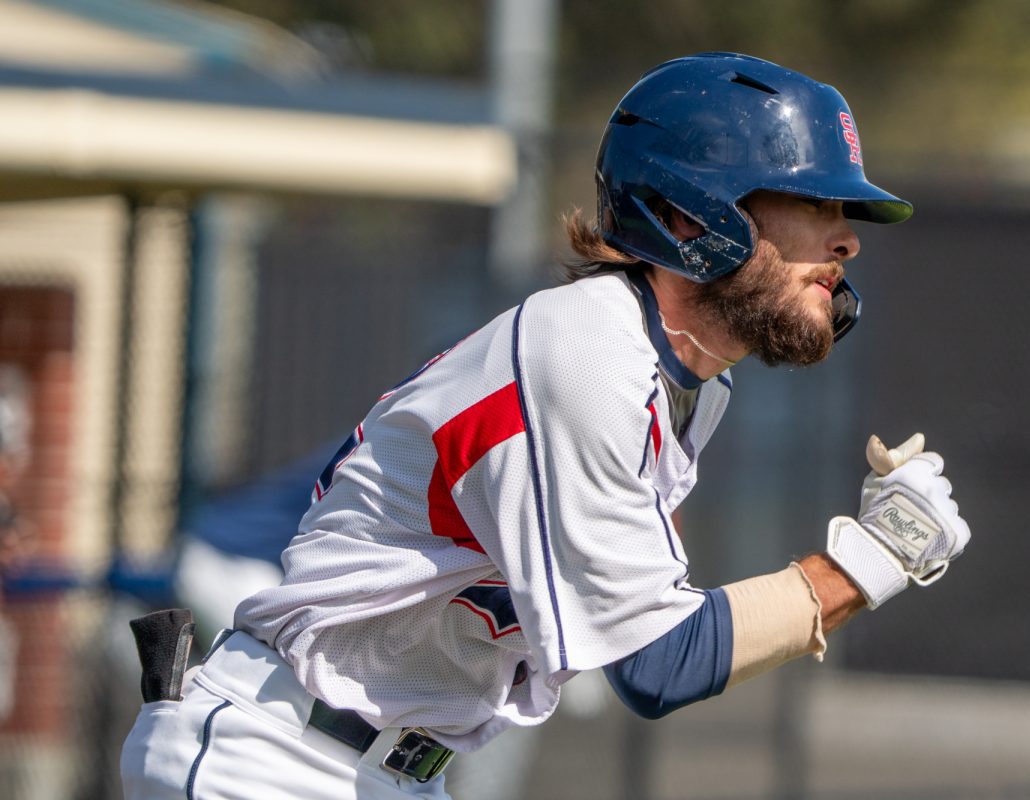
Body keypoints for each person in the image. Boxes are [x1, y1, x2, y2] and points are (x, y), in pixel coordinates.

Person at [120, 52, 971, 800]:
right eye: (813, 201)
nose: (844, 241)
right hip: (277, 759)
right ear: (687, 217)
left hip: (370, 766)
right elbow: (661, 663)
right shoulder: (591, 351)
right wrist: (873, 557)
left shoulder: (671, 379)